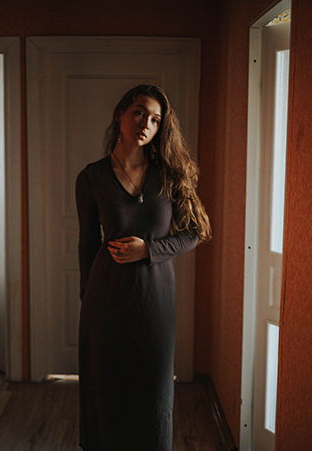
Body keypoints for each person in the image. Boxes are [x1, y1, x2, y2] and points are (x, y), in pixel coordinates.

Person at [75, 84, 212, 451]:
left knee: (152, 394)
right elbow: (87, 243)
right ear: (120, 113)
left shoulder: (169, 174)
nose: (146, 124)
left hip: (155, 298)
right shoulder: (91, 177)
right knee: (107, 390)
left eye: (155, 119)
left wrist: (149, 250)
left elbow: (194, 233)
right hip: (104, 298)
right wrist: (86, 299)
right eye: (139, 113)